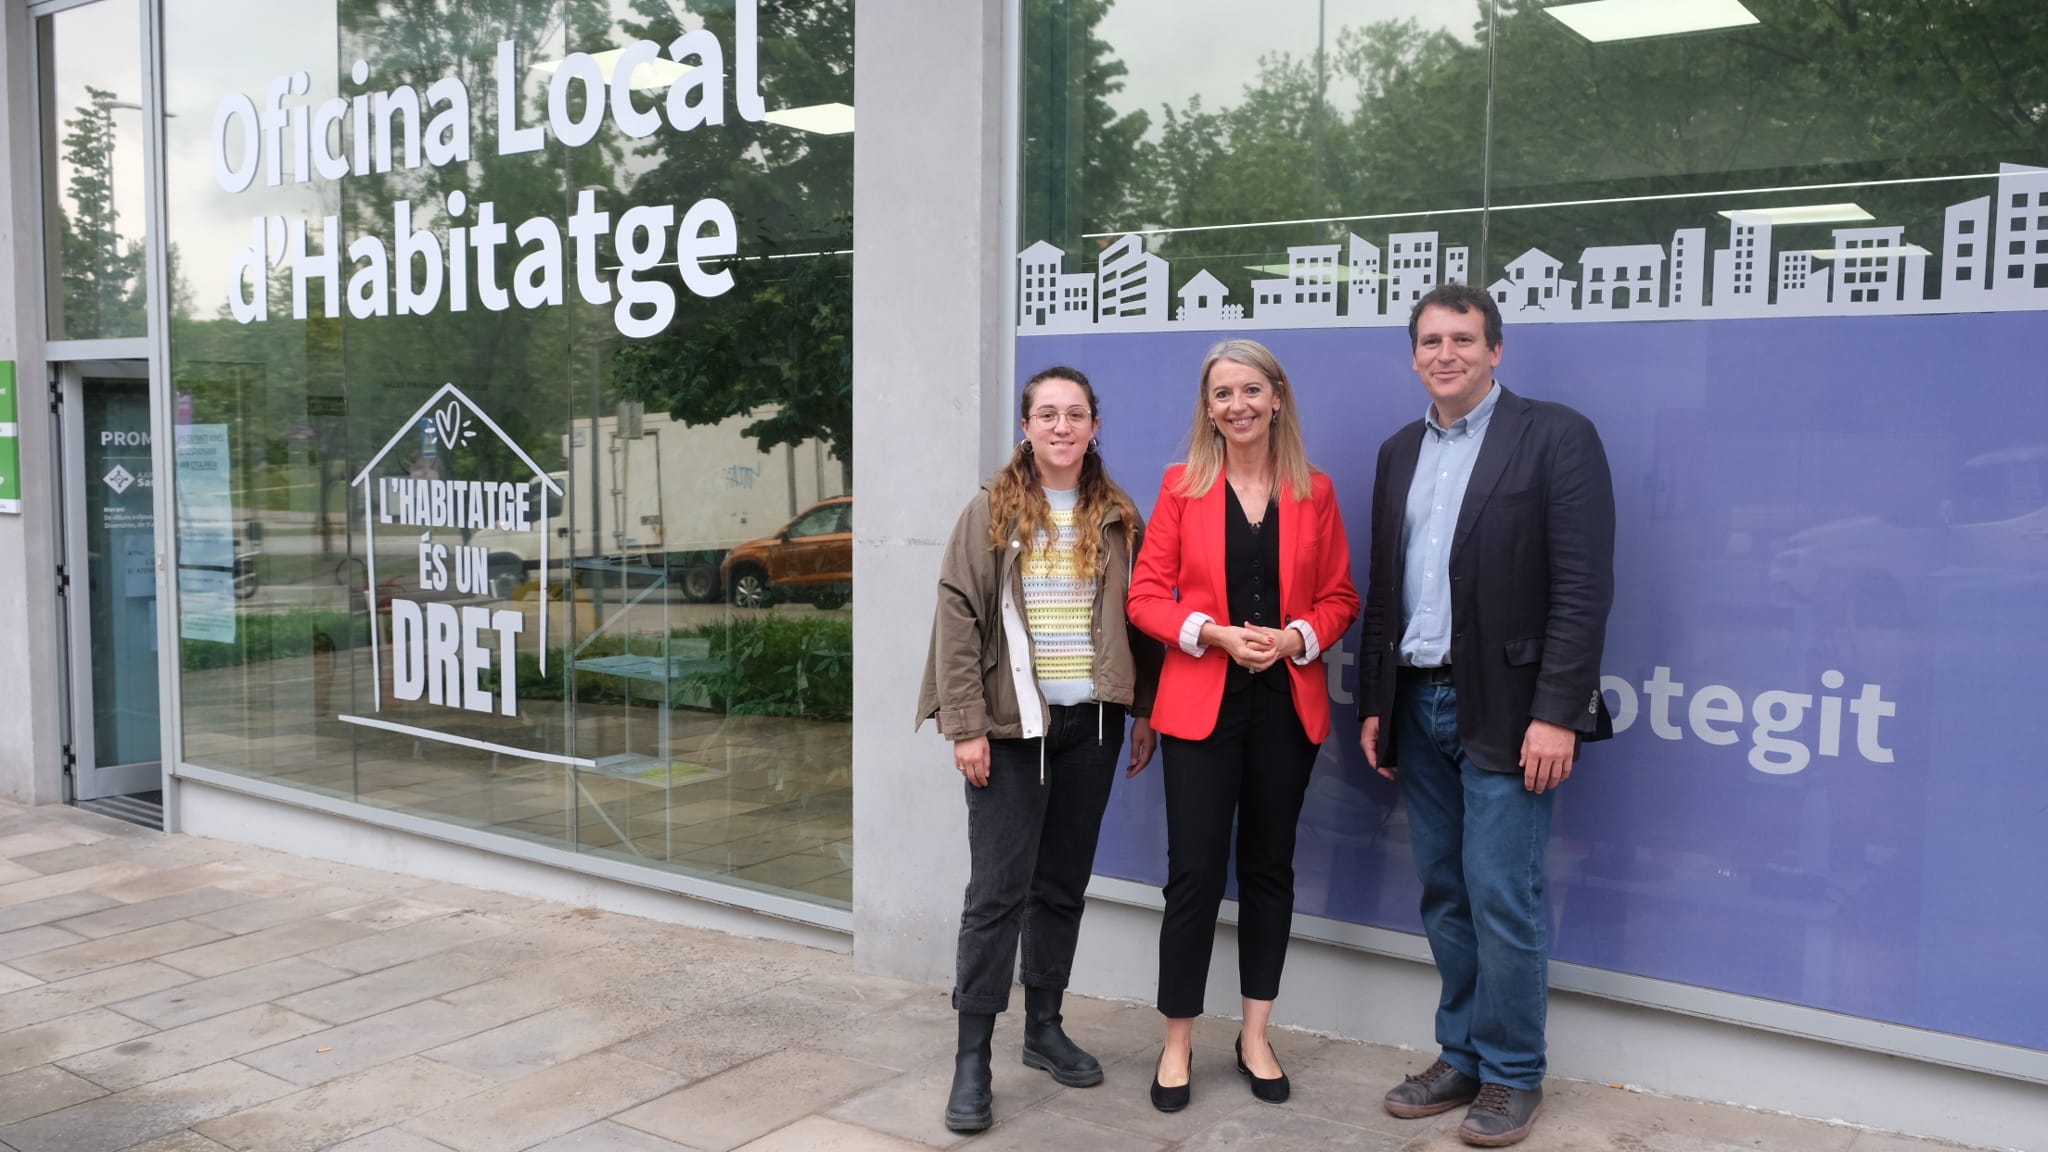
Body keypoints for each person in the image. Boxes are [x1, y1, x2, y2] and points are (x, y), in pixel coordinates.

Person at [1357, 283, 1615, 1148]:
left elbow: (1582, 590)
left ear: (1496, 350)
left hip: (1508, 711)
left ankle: (1512, 1074)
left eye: (1463, 338)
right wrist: (1376, 706)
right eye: (1430, 340)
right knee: (1445, 893)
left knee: (1505, 895)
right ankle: (1460, 1053)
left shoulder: (1556, 437)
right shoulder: (1400, 452)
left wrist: (1560, 713)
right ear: (1415, 355)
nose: (1445, 353)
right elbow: (1386, 593)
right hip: (1417, 702)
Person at [916, 366, 1162, 1134]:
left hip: (1090, 727)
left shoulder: (1119, 515)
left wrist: (1143, 710)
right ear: (1025, 426)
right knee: (995, 896)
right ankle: (972, 1057)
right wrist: (963, 725)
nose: (1062, 426)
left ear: (1095, 426)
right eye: (1047, 414)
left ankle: (1044, 1028)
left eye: (1076, 414)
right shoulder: (991, 511)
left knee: (1060, 888)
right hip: (1007, 731)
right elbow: (958, 615)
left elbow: (1141, 617)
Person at [1126, 339, 1358, 1112]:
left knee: (1269, 871)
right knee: (1193, 873)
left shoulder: (1314, 492)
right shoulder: (1180, 487)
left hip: (1285, 707)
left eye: (1250, 390)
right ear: (1208, 408)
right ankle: (1178, 1042)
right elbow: (1145, 597)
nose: (1237, 405)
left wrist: (1296, 639)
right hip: (1200, 704)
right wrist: (1213, 634)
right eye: (1222, 394)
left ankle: (1255, 1034)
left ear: (1277, 397)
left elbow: (1340, 599)